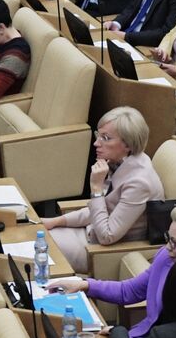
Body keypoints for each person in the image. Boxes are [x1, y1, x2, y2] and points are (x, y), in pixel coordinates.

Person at [48, 203, 176, 338]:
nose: (167, 247)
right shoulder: (166, 256)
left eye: (175, 242)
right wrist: (84, 285)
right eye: (168, 238)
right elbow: (128, 291)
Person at [39, 106, 161, 270]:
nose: (96, 143)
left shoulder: (140, 183)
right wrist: (56, 221)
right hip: (89, 232)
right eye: (99, 135)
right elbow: (102, 209)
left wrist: (96, 188)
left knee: (36, 248)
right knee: (33, 234)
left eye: (106, 138)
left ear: (128, 145)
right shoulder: (119, 161)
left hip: (105, 252)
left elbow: (107, 236)